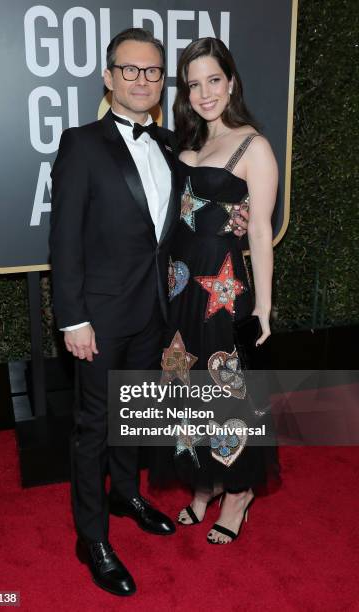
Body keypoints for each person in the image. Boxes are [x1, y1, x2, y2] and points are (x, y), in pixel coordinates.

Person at [49, 28, 250, 595]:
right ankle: (92, 537)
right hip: (99, 319)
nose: (142, 80)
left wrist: (237, 221)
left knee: (132, 416)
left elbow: (196, 216)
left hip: (157, 315)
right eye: (130, 70)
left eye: (153, 71)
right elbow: (63, 242)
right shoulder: (81, 144)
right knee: (94, 427)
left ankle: (126, 493)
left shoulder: (169, 144)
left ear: (163, 82)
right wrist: (72, 319)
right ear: (109, 77)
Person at [151, 37, 280, 544]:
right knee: (188, 391)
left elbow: (262, 233)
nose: (205, 93)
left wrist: (264, 309)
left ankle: (238, 493)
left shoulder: (254, 146)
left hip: (224, 293)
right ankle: (204, 481)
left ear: (231, 83)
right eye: (194, 83)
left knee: (226, 395)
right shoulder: (186, 146)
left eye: (214, 80)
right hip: (181, 291)